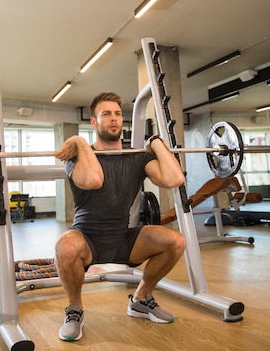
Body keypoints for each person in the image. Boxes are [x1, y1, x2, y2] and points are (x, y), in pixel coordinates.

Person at [54, 91, 187, 342]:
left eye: (117, 114)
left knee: (176, 241)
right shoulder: (76, 156)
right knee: (65, 247)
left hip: (124, 238)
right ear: (94, 122)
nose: (114, 119)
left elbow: (175, 179)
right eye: (106, 114)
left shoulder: (136, 157)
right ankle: (74, 309)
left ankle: (140, 300)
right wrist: (81, 143)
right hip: (87, 238)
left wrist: (156, 142)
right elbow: (93, 179)